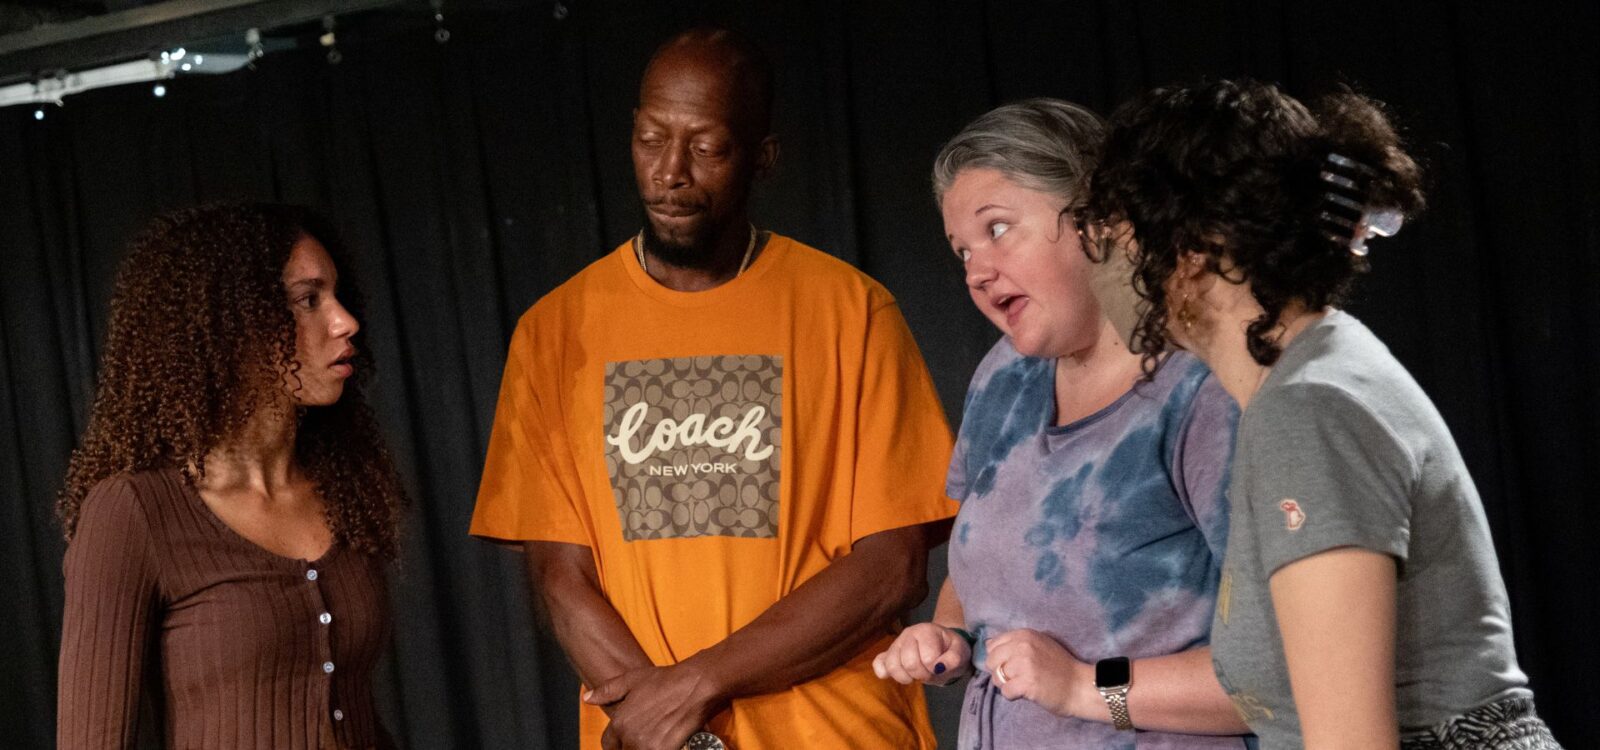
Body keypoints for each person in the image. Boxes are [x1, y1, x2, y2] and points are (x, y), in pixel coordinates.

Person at [468, 28, 958, 750]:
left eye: (706, 148)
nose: (670, 172)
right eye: (649, 138)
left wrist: (694, 687)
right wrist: (670, 728)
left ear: (763, 158)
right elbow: (560, 575)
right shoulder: (554, 332)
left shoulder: (849, 311)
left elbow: (892, 567)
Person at [1082, 78, 1562, 749]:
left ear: (1192, 248)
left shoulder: (1310, 408)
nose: (1105, 265)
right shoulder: (1308, 381)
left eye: (1118, 235)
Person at [872, 98, 1251, 748]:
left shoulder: (1203, 391)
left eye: (997, 230)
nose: (976, 272)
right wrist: (951, 637)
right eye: (961, 250)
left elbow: (1283, 681)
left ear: (1099, 221)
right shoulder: (1003, 377)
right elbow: (977, 562)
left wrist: (1084, 686)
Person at [56, 203, 406, 749]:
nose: (345, 321)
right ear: (227, 324)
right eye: (308, 301)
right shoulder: (132, 511)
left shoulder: (342, 491)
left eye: (336, 296)